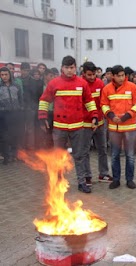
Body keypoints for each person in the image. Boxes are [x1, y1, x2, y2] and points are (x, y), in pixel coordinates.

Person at [38, 56, 98, 193]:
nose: (69, 70)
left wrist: (94, 115)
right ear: (62, 68)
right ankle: (58, 182)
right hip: (60, 127)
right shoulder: (54, 83)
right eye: (67, 68)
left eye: (72, 67)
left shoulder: (82, 83)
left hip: (78, 127)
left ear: (75, 68)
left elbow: (89, 101)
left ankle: (82, 182)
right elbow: (44, 100)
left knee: (79, 155)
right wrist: (42, 117)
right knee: (58, 155)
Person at [100, 65, 136, 190]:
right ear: (112, 76)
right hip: (114, 128)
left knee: (130, 155)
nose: (121, 78)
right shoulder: (107, 89)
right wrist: (111, 116)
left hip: (129, 127)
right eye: (118, 75)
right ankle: (116, 180)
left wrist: (125, 117)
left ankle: (130, 180)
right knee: (114, 155)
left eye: (123, 75)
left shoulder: (133, 87)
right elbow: (103, 105)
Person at [81, 62, 112, 186]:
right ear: (84, 73)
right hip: (85, 124)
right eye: (89, 75)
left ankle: (103, 173)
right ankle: (87, 176)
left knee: (102, 149)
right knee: (85, 151)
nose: (92, 77)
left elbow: (103, 102)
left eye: (94, 74)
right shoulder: (80, 84)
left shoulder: (100, 83)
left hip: (99, 123)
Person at [0, 67, 23, 165]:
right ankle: (6, 156)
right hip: (3, 115)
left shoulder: (16, 86)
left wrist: (21, 108)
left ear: (10, 75)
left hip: (15, 114)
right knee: (4, 137)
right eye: (2, 75)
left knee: (15, 135)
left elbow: (21, 99)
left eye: (6, 74)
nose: (4, 77)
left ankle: (14, 155)